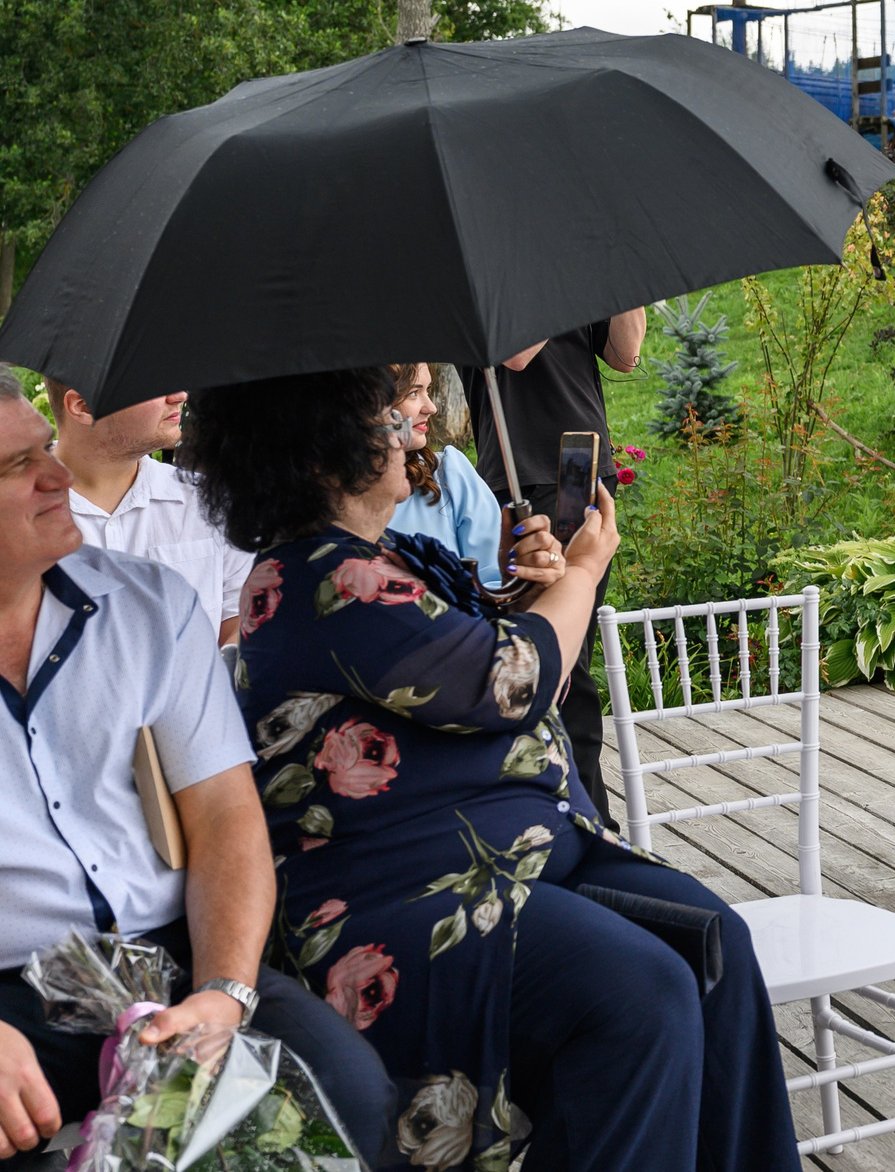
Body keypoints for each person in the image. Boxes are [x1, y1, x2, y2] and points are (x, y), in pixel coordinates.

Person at [182, 366, 798, 1172]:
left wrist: (528, 583)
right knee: (637, 992)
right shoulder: (320, 578)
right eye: (397, 403)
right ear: (327, 445)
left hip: (531, 852)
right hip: (405, 897)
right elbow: (510, 680)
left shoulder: (388, 552)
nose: (422, 415)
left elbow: (473, 623)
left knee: (716, 941)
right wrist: (579, 577)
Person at [0, 362, 393, 1168]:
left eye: (42, 450)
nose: (59, 473)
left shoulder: (148, 605)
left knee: (349, 1098)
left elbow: (226, 815)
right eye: (19, 466)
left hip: (170, 959)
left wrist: (223, 994)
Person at [464, 311, 643, 824]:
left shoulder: (560, 271)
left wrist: (616, 272)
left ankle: (583, 817)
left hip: (581, 468)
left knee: (573, 657)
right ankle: (583, 820)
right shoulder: (487, 281)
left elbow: (624, 357)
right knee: (557, 664)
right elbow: (516, 356)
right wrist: (568, 276)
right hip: (522, 480)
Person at [43, 382, 252, 644]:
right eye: (154, 383)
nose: (179, 396)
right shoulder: (10, 517)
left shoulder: (211, 503)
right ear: (83, 406)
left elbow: (239, 622)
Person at [385, 364, 503, 579]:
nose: (431, 408)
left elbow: (493, 577)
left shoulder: (448, 473)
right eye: (413, 393)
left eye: (427, 391)